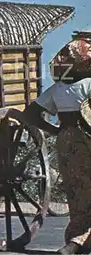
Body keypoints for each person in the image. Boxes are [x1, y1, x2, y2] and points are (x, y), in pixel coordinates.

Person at [22, 35, 91, 255]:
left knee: (76, 193)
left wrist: (55, 130)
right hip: (87, 139)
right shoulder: (89, 84)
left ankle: (77, 239)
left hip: (65, 141)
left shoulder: (58, 88)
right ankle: (77, 243)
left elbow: (31, 114)